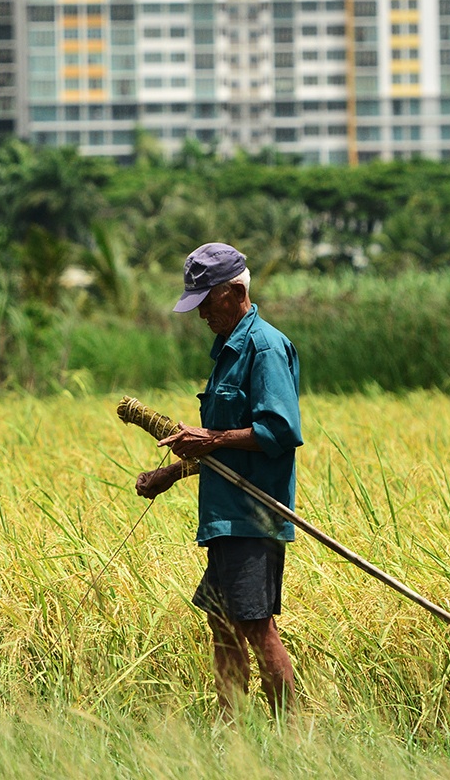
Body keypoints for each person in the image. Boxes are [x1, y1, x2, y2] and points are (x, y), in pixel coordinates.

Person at [135, 242, 302, 715]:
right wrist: (172, 471)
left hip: (253, 516)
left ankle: (293, 737)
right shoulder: (228, 350)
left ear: (234, 291)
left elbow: (280, 430)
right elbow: (222, 447)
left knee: (256, 626)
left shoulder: (263, 347)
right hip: (225, 517)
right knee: (222, 623)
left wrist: (212, 437)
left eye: (208, 301)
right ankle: (233, 733)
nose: (202, 313)